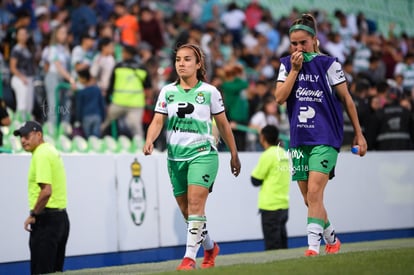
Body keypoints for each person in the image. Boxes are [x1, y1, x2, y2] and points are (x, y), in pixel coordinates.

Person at [274, 13, 367, 256]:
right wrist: (295, 70)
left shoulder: (330, 64)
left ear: (314, 40)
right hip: (299, 139)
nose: (298, 48)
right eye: (294, 43)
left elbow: (347, 99)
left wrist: (359, 134)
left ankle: (313, 248)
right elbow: (279, 98)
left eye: (303, 42)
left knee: (315, 193)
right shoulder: (286, 65)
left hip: (325, 138)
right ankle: (332, 239)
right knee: (309, 200)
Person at [143, 43, 241, 270]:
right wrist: (149, 139)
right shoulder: (167, 91)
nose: (181, 64)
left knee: (196, 204)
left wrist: (233, 153)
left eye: (187, 59)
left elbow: (223, 125)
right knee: (188, 213)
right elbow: (158, 120)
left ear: (198, 64)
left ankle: (188, 258)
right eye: (178, 59)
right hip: (175, 158)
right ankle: (209, 247)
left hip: (203, 154)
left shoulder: (210, 92)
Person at [13, 120, 70, 275]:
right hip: (60, 219)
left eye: (27, 135)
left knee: (41, 271)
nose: (23, 140)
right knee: (55, 271)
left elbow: (46, 191)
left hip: (47, 222)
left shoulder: (41, 154)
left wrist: (33, 215)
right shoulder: (50, 150)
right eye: (21, 137)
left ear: (39, 135)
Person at [251, 125, 290, 250]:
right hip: (284, 205)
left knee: (273, 246)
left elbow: (255, 180)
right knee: (282, 243)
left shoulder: (268, 155)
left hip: (270, 206)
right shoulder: (284, 153)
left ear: (263, 137)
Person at [101, 44, 151, 140]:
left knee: (106, 123)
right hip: (136, 104)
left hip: (118, 102)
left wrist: (107, 101)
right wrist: (146, 100)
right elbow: (148, 89)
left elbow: (111, 86)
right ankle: (141, 148)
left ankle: (100, 141)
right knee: (136, 128)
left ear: (126, 53)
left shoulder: (118, 67)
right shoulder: (142, 68)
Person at [75, 68, 105, 138]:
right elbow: (102, 105)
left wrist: (78, 119)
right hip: (97, 116)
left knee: (88, 137)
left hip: (86, 117)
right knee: (96, 137)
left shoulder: (81, 92)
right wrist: (103, 117)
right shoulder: (97, 90)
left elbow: (79, 107)